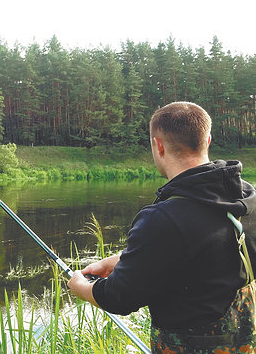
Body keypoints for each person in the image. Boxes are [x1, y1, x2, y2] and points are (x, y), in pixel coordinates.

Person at [67, 101, 256, 353]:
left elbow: (119, 297)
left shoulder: (162, 218)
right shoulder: (247, 198)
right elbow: (212, 252)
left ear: (158, 145)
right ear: (207, 140)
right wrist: (124, 259)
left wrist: (80, 286)